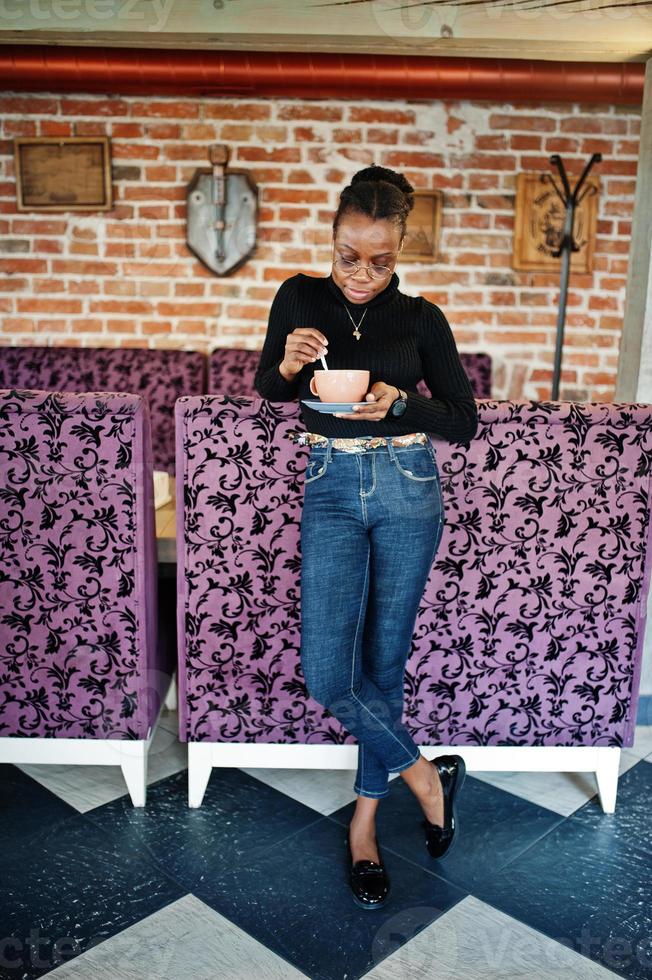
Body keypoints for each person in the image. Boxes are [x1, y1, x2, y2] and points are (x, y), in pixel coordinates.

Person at [254, 165, 478, 910]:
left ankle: (365, 827)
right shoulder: (300, 297)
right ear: (332, 236)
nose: (362, 273)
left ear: (401, 248)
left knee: (384, 665)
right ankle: (425, 775)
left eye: (381, 260)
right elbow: (270, 387)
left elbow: (462, 421)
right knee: (328, 673)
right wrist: (287, 363)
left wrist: (401, 403)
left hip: (410, 487)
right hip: (330, 488)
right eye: (349, 255)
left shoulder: (421, 317)